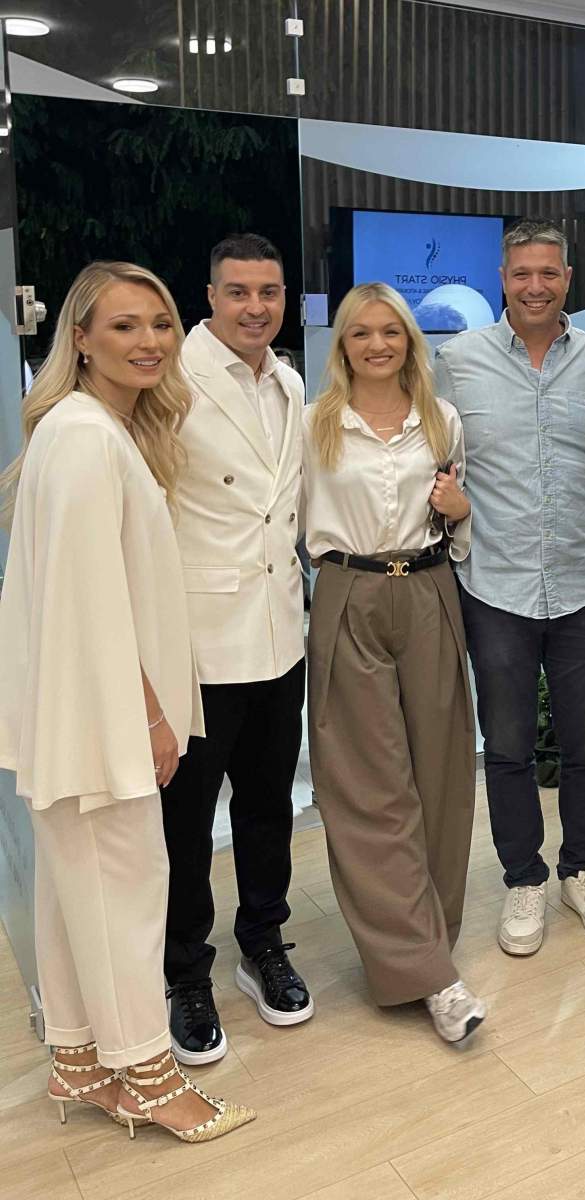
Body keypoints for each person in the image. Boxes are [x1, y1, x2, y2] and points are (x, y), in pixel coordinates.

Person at [0, 261, 254, 1142]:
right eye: (123, 326)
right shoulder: (84, 436)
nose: (149, 341)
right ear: (79, 339)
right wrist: (149, 715)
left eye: (159, 324)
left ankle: (82, 1063)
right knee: (125, 889)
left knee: (81, 891)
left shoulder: (94, 429)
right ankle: (149, 1075)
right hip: (101, 714)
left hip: (83, 711)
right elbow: (90, 599)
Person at [434, 219, 585, 956]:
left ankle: (583, 870)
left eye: (549, 273)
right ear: (502, 278)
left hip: (584, 583)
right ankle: (524, 878)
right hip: (496, 586)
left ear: (568, 279)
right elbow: (432, 458)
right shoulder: (459, 362)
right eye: (522, 273)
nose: (536, 286)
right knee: (508, 747)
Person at [303, 283, 484, 1043]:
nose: (377, 345)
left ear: (410, 340)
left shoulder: (442, 421)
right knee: (368, 784)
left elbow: (458, 521)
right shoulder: (315, 423)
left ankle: (430, 937)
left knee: (442, 774)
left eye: (391, 332)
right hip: (348, 590)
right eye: (360, 333)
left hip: (429, 588)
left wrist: (461, 514)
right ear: (341, 344)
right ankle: (427, 973)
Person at [159, 233, 312, 1066]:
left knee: (266, 806)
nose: (256, 307)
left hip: (280, 631)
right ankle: (185, 973)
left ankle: (264, 943)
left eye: (270, 292)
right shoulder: (171, 379)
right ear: (210, 296)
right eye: (239, 292)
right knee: (185, 823)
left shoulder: (288, 380)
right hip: (200, 641)